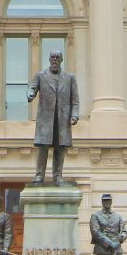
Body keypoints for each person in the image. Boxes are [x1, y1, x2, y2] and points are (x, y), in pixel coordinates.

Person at [27, 51, 79, 185]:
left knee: (60, 147)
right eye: (52, 57)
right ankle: (39, 175)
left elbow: (75, 100)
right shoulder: (40, 76)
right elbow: (32, 88)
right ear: (49, 59)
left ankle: (58, 175)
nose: (55, 60)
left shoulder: (69, 78)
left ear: (62, 60)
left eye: (57, 58)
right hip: (45, 119)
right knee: (43, 147)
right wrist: (30, 93)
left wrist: (74, 115)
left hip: (62, 119)